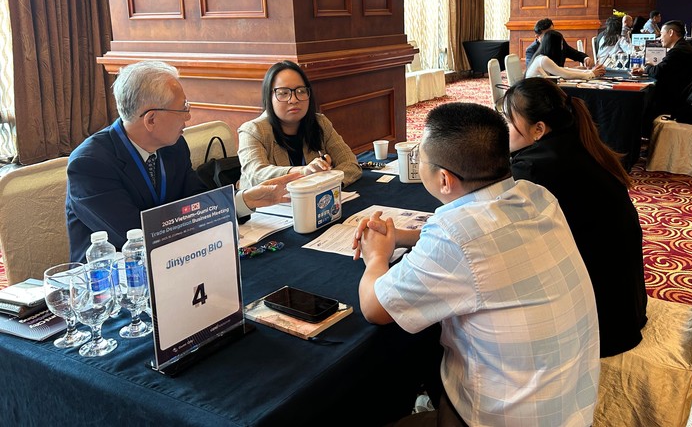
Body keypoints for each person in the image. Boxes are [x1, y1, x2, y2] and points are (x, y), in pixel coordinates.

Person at [352, 102, 600, 426]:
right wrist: (401, 236)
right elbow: (481, 240)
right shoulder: (537, 196)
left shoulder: (455, 236)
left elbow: (375, 308)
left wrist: (375, 256)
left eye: (420, 159)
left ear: (444, 179)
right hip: (570, 405)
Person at [66, 61, 297, 263]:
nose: (188, 116)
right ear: (151, 119)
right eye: (183, 109)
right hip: (114, 284)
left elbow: (197, 201)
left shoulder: (174, 147)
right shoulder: (90, 165)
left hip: (180, 262)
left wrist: (244, 200)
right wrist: (196, 218)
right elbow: (135, 236)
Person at [501, 77, 648, 357]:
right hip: (624, 306)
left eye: (508, 121)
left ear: (538, 129)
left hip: (597, 326)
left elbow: (498, 229)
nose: (502, 129)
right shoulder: (579, 143)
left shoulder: (535, 168)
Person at [238, 61, 361, 188]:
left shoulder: (320, 123)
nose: (293, 99)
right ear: (269, 97)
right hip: (269, 201)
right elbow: (256, 175)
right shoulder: (252, 130)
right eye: (283, 93)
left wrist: (322, 186)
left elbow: (350, 164)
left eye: (301, 91)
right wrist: (303, 172)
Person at [632, 20, 692, 131]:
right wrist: (650, 69)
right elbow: (663, 69)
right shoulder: (682, 47)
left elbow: (658, 72)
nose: (660, 38)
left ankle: (639, 135)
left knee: (639, 103)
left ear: (670, 33)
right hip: (688, 96)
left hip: (684, 103)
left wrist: (647, 66)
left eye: (661, 34)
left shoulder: (678, 51)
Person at [526, 30, 605, 80]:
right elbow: (565, 74)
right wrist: (591, 73)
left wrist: (589, 71)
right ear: (555, 45)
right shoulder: (543, 60)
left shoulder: (541, 57)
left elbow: (563, 70)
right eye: (561, 44)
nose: (562, 47)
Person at [526, 17, 593, 68]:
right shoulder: (531, 50)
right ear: (537, 37)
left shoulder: (558, 41)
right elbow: (533, 69)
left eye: (553, 31)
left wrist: (585, 58)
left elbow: (573, 53)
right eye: (548, 34)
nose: (552, 35)